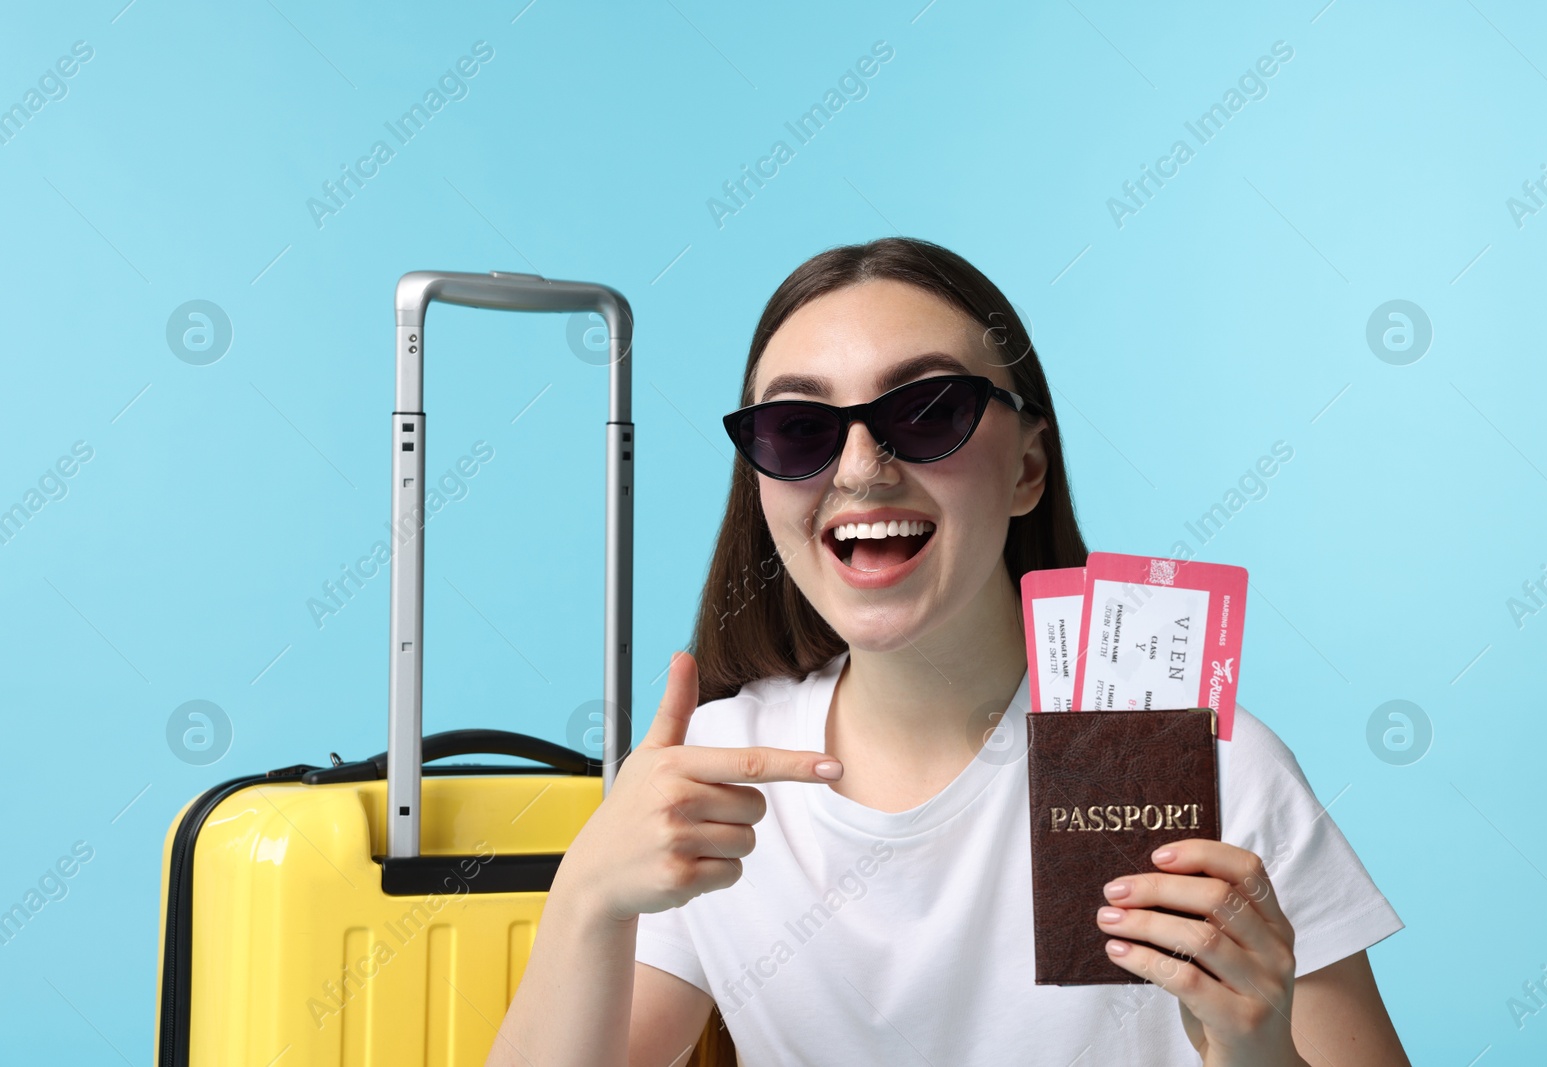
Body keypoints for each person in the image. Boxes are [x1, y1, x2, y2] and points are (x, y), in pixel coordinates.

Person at [489, 237, 1411, 1067]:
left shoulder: (1214, 766)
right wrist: (584, 900)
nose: (858, 467)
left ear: (1026, 469)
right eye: (800, 429)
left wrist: (1256, 1054)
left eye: (928, 410)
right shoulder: (713, 785)